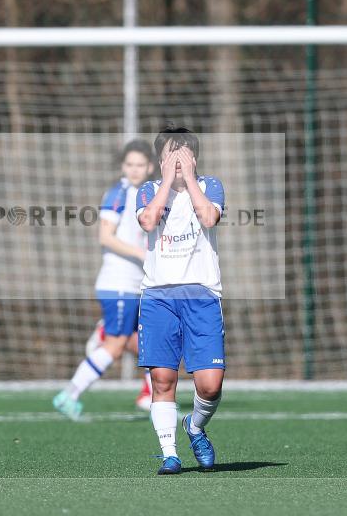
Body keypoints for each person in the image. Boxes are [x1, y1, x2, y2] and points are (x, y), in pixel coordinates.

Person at [136, 126, 225, 475]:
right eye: (170, 156)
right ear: (159, 160)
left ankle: (196, 426)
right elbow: (147, 221)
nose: (176, 162)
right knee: (162, 379)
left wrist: (188, 178)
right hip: (159, 297)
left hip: (202, 296)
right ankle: (170, 453)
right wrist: (164, 184)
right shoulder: (147, 191)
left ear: (194, 159)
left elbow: (209, 217)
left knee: (210, 383)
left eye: (183, 156)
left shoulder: (209, 186)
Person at [53, 140, 155, 420]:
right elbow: (105, 236)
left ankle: (151, 396)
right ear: (123, 166)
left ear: (149, 167)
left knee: (147, 342)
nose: (134, 170)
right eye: (129, 164)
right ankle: (69, 395)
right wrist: (141, 253)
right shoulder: (118, 194)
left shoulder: (145, 194)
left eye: (140, 165)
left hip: (135, 284)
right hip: (117, 283)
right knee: (114, 345)